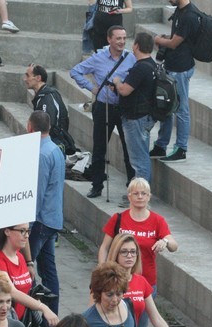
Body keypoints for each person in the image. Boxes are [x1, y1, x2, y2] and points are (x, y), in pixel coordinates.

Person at [98, 178, 177, 327]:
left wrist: (165, 241)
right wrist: (102, 271)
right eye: (136, 193)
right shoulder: (118, 218)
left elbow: (173, 245)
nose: (140, 197)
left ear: (149, 197)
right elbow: (104, 247)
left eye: (144, 193)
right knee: (116, 323)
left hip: (145, 282)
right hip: (119, 280)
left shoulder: (157, 220)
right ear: (129, 196)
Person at [70, 25, 136, 198]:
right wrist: (92, 88)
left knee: (128, 148)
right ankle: (97, 184)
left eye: (124, 38)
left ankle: (132, 185)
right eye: (118, 38)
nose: (122, 41)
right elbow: (75, 71)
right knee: (99, 147)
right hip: (103, 107)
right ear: (109, 39)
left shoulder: (131, 58)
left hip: (124, 108)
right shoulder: (98, 58)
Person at [106, 233, 191, 327]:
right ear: (115, 254)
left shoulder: (141, 282)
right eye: (124, 252)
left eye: (133, 252)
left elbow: (157, 319)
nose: (129, 256)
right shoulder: (105, 282)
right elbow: (93, 314)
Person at [148, 0, 201, 163]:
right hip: (172, 65)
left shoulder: (189, 15)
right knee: (165, 105)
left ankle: (181, 148)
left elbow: (174, 43)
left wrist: (158, 40)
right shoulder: (179, 10)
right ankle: (161, 145)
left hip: (181, 69)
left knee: (181, 109)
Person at [27, 110, 65, 324]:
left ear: (30, 127)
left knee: (27, 267)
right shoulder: (55, 150)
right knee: (49, 271)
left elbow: (38, 192)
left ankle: (35, 316)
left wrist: (28, 223)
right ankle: (52, 320)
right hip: (52, 218)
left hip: (41, 220)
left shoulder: (42, 154)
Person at [0, 224, 57, 325]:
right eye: (22, 231)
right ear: (7, 231)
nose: (26, 235)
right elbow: (11, 292)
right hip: (1, 324)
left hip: (19, 322)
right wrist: (43, 307)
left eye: (28, 231)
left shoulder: (20, 257)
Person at [113, 32, 157, 187]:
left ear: (136, 46)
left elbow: (125, 90)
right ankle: (143, 191)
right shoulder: (152, 65)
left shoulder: (140, 68)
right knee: (142, 155)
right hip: (144, 116)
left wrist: (117, 82)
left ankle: (141, 193)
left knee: (138, 159)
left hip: (136, 119)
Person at [24, 63, 72, 152]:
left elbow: (46, 126)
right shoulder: (44, 94)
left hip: (52, 144)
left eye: (27, 76)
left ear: (38, 78)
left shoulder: (46, 98)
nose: (25, 79)